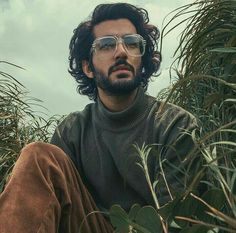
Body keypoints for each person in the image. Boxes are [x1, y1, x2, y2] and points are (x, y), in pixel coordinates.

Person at [0, 3, 198, 233]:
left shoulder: (175, 125)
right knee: (38, 156)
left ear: (142, 59)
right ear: (88, 67)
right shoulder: (72, 132)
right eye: (106, 45)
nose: (121, 52)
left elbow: (176, 224)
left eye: (132, 43)